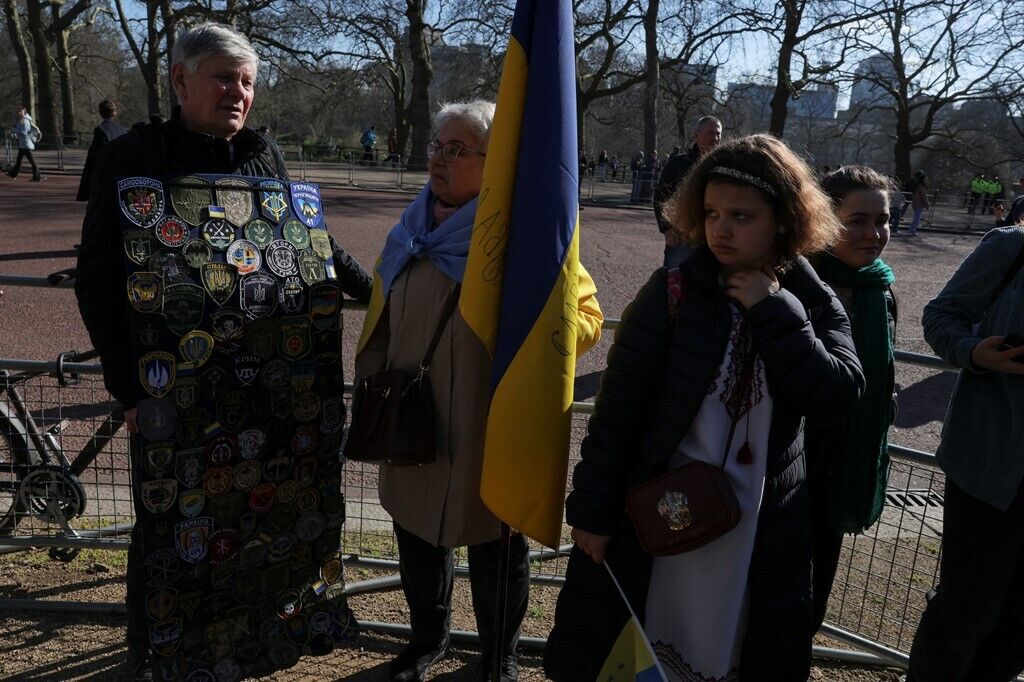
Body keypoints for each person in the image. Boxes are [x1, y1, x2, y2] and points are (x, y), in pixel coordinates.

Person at [74, 23, 371, 681]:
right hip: (173, 393)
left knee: (255, 512)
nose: (237, 93)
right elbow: (96, 280)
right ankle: (164, 651)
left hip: (267, 390)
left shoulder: (264, 156)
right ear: (180, 81)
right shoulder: (135, 160)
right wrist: (129, 389)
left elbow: (308, 243)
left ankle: (250, 641)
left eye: (246, 82)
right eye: (222, 77)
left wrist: (380, 293)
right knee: (171, 525)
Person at [545, 134, 865, 681]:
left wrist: (774, 309)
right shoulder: (672, 289)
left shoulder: (812, 296)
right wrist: (594, 514)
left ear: (783, 220)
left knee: (738, 645)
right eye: (712, 212)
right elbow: (617, 412)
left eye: (742, 215)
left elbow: (838, 393)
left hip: (758, 526)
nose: (721, 228)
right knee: (647, 645)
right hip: (662, 513)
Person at [355, 100, 604, 682]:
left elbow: (586, 317)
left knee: (496, 544)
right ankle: (426, 643)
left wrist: (537, 329)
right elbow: (382, 313)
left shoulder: (524, 238)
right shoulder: (410, 228)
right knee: (415, 534)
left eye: (458, 149)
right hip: (413, 414)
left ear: (496, 164)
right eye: (437, 146)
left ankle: (499, 657)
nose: (440, 159)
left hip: (489, 423)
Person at [908, 225, 1024, 682]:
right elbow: (941, 316)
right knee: (964, 610)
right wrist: (973, 351)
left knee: (1018, 625)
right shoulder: (1011, 248)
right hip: (989, 467)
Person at [807, 166, 898, 635]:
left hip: (843, 468)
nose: (874, 233)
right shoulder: (796, 282)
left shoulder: (879, 288)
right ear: (824, 219)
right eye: (857, 220)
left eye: (882, 220)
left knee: (812, 601)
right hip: (790, 470)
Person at [655, 116, 723, 267]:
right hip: (681, 237)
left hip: (714, 237)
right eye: (710, 133)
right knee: (674, 282)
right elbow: (661, 196)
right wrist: (666, 229)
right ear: (696, 135)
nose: (715, 138)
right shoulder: (678, 163)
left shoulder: (725, 166)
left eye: (718, 134)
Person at [76, 99, 126, 201]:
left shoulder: (101, 130)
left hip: (106, 173)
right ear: (114, 113)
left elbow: (95, 156)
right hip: (122, 171)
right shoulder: (123, 130)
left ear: (101, 113)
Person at [6, 106, 41, 182]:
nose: (19, 113)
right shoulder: (21, 120)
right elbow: (19, 129)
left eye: (21, 112)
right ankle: (13, 174)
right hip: (23, 144)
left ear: (24, 112)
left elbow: (24, 132)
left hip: (26, 144)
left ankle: (37, 177)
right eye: (19, 111)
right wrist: (14, 130)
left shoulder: (24, 121)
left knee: (32, 162)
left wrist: (13, 130)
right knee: (19, 161)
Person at [906, 170, 929, 235]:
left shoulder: (917, 185)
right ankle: (912, 230)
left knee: (916, 217)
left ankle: (912, 230)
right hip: (919, 204)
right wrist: (927, 205)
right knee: (917, 218)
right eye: (926, 179)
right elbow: (924, 197)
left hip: (915, 203)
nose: (927, 180)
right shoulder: (922, 187)